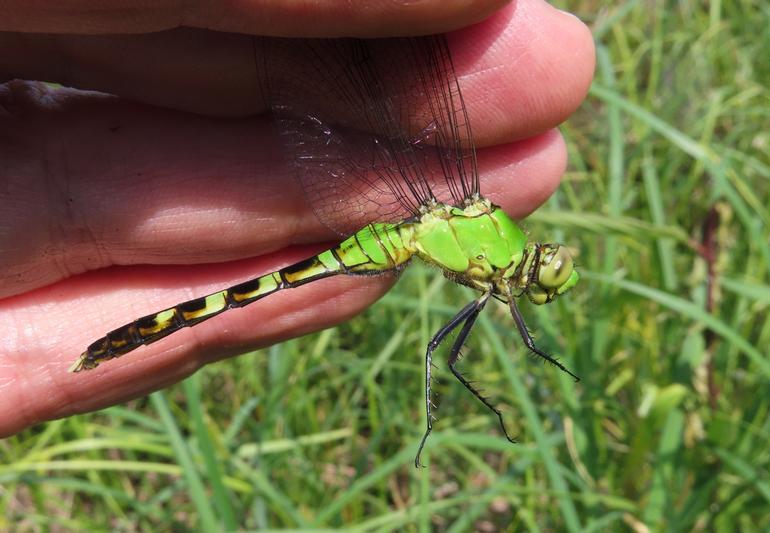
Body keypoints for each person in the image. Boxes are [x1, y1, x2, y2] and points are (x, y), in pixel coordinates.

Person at [0, 0, 595, 436]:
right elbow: (513, 347)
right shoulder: (493, 252)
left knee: (444, 348)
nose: (547, 272)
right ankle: (125, 337)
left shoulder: (487, 233)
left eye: (550, 268)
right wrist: (553, 374)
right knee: (445, 350)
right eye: (550, 268)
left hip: (405, 224)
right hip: (397, 230)